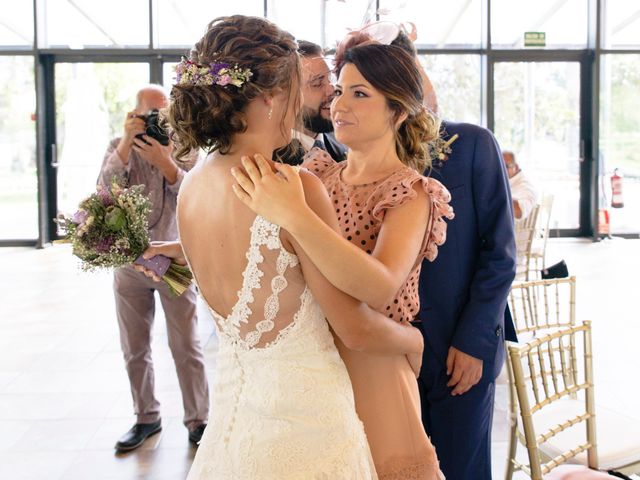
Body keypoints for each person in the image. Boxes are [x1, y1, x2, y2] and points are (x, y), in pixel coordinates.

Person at [164, 15, 427, 479]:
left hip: (234, 415)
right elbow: (354, 326)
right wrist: (416, 339)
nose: (316, 101)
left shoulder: (192, 185)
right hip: (308, 420)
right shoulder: (295, 187)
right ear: (269, 97)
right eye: (298, 88)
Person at [233, 42, 452, 479]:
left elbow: (381, 285)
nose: (339, 105)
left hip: (376, 370)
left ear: (399, 110)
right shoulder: (316, 174)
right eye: (339, 92)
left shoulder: (409, 193)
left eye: (360, 94)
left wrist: (295, 216)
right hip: (313, 369)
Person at [97, 85, 210, 451]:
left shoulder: (184, 146)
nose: (156, 122)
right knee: (134, 346)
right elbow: (103, 193)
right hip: (129, 262)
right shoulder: (119, 145)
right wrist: (126, 146)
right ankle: (145, 417)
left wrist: (167, 163)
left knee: (186, 345)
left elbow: (196, 197)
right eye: (148, 115)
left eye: (162, 115)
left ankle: (198, 420)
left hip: (174, 262)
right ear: (133, 115)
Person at [416, 124, 518, 478]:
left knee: (462, 471)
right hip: (391, 357)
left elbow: (501, 254)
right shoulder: (350, 153)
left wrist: (473, 340)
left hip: (458, 346)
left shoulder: (471, 143)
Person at [275, 40, 347, 165]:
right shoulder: (274, 159)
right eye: (317, 84)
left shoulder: (343, 140)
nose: (332, 90)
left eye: (330, 79)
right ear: (284, 96)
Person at [503, 150, 538, 221]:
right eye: (498, 166)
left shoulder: (526, 187)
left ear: (516, 167)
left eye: (506, 166)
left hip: (515, 231)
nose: (501, 170)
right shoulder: (506, 182)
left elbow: (520, 211)